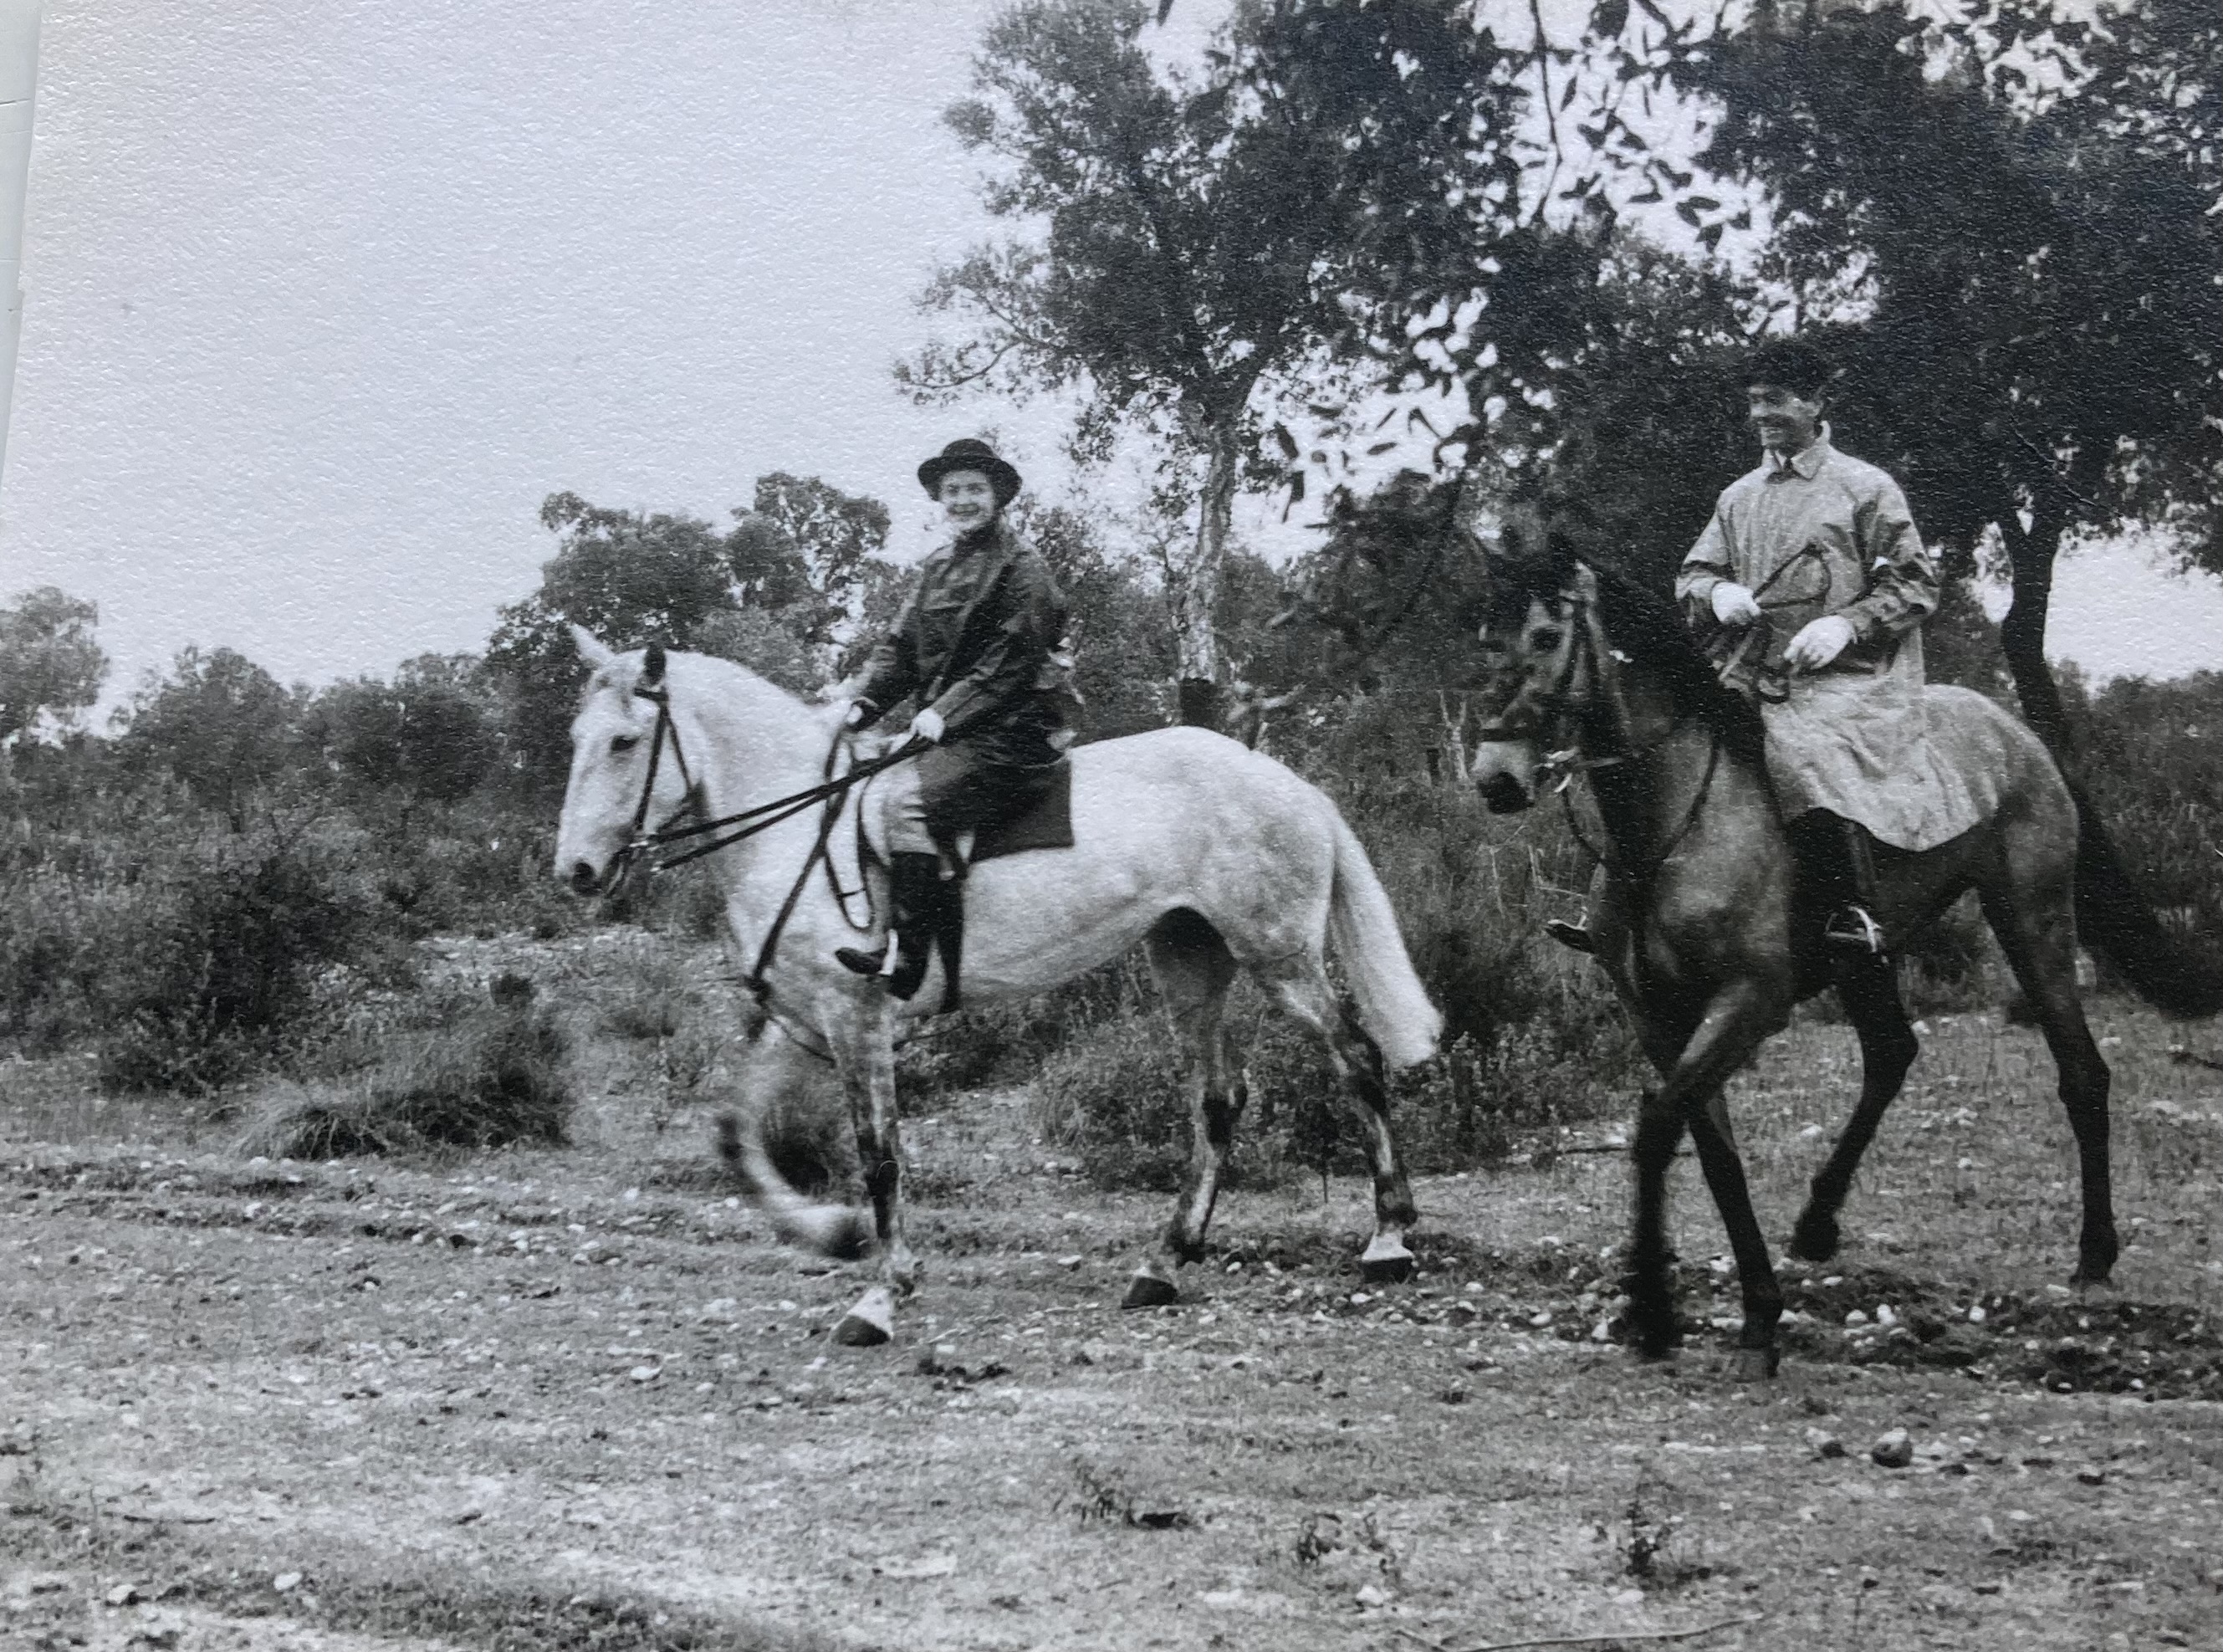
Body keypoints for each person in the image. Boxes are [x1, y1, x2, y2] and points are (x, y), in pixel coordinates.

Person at [1675, 335, 1943, 957]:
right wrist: (1716, 592)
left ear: (1815, 401)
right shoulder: (1737, 497)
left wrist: (1847, 624)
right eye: (1753, 401)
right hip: (1751, 670)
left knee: (1802, 745)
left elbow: (1917, 583)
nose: (1759, 414)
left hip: (1850, 678)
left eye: (1774, 400)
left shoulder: (1865, 486)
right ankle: (1630, 902)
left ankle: (1850, 908)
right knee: (1670, 738)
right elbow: (1693, 574)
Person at [830, 438, 1076, 1003]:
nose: (963, 500)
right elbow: (900, 647)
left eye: (974, 489)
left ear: (998, 496)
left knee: (904, 804)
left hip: (1013, 730)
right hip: (953, 729)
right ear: (940, 498)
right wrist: (864, 703)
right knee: (862, 786)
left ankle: (908, 958)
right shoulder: (937, 566)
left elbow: (1011, 661)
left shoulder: (1024, 567)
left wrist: (943, 711)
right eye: (953, 490)